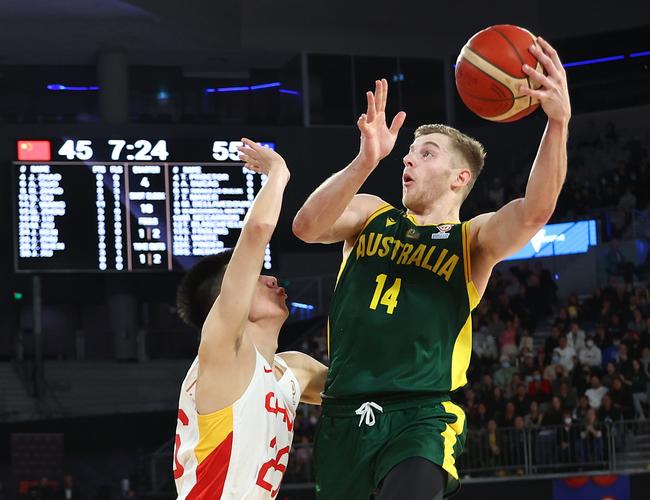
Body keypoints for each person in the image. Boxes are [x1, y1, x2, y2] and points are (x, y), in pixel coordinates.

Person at [293, 36, 570, 499]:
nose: (408, 157)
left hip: (421, 415)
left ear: (460, 177)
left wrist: (558, 123)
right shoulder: (369, 214)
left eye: (427, 152)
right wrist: (365, 161)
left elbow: (533, 212)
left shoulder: (472, 240)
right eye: (410, 152)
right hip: (343, 414)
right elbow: (306, 227)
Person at [173, 139, 328, 499]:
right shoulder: (223, 353)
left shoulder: (296, 370)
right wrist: (278, 173)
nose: (271, 278)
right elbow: (256, 233)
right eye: (257, 277)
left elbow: (361, 388)